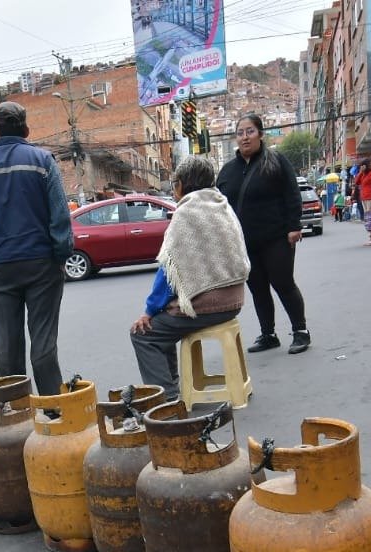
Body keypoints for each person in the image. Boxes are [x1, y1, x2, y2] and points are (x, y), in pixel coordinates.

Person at [0, 101, 74, 394]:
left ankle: (14, 413)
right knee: (43, 343)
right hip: (42, 265)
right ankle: (53, 407)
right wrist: (60, 255)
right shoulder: (42, 160)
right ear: (25, 129)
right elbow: (60, 215)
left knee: (8, 347)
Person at [129, 157, 249, 399]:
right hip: (235, 301)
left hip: (208, 306)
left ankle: (167, 400)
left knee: (144, 333)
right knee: (164, 323)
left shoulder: (185, 214)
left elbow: (169, 272)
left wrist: (148, 311)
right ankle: (171, 389)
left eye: (175, 184)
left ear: (182, 185)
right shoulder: (221, 205)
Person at [216, 113, 309, 355]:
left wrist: (294, 226)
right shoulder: (227, 171)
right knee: (257, 288)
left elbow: (292, 193)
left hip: (276, 237)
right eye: (240, 133)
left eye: (250, 131)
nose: (244, 137)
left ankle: (301, 331)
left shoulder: (276, 161)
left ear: (260, 134)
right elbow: (220, 206)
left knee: (283, 283)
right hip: (245, 243)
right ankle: (268, 334)